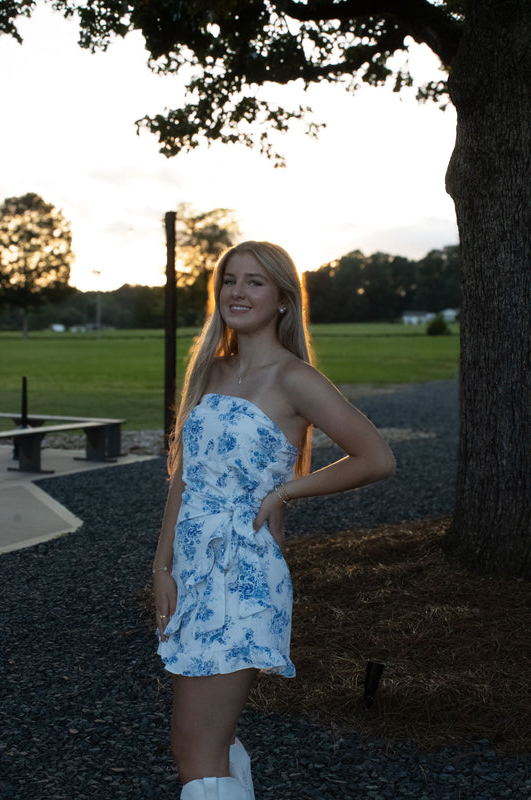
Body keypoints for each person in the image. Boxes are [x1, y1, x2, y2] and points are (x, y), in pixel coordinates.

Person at [152, 240, 396, 800]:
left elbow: (376, 457)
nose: (238, 291)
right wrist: (161, 565)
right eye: (230, 280)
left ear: (284, 299)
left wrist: (287, 492)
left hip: (242, 576)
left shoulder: (294, 379)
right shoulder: (211, 372)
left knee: (196, 752)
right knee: (204, 747)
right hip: (191, 573)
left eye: (255, 282)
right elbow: (185, 480)